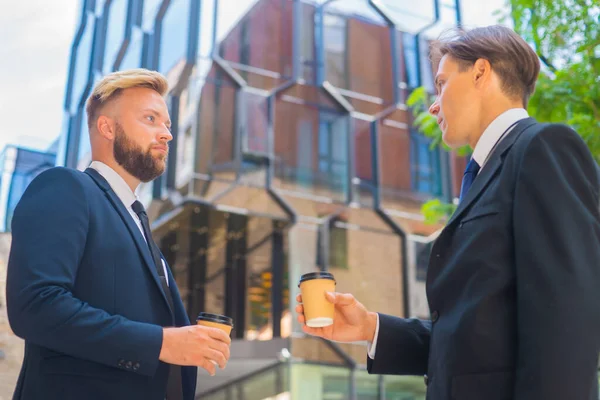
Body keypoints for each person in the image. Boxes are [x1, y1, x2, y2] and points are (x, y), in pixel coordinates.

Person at [296, 25, 600, 399]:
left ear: (480, 72)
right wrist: (370, 328)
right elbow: (473, 342)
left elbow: (566, 323)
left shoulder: (542, 148)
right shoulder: (484, 176)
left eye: (441, 83)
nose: (434, 105)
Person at [6, 69, 231, 400]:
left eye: (167, 124)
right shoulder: (66, 187)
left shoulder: (139, 223)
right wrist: (162, 343)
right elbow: (36, 305)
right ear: (107, 127)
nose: (166, 134)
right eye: (151, 119)